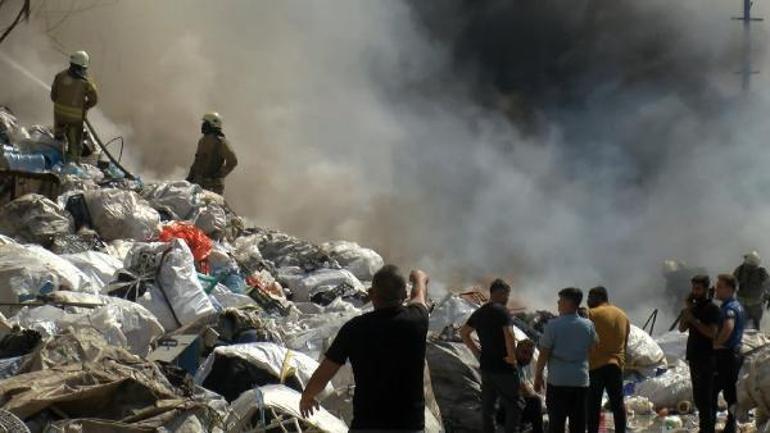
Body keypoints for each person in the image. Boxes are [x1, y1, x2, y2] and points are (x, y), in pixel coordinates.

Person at [299, 265, 429, 432]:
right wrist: (419, 277)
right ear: (404, 295)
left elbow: (326, 370)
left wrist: (307, 396)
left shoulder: (354, 329)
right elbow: (419, 296)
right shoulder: (417, 320)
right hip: (409, 425)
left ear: (371, 294)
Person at [534, 288, 598, 433]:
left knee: (556, 424)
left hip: (558, 382)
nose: (558, 303)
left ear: (569, 303)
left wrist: (538, 376)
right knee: (578, 425)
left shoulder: (553, 325)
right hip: (580, 382)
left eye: (561, 300)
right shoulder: (588, 325)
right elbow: (593, 348)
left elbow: (543, 353)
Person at [460, 279, 519, 433]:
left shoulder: (480, 312)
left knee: (488, 407)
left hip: (486, 367)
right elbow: (509, 334)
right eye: (507, 295)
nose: (508, 299)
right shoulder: (502, 311)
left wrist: (477, 353)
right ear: (501, 293)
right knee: (514, 404)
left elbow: (464, 333)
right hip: (504, 367)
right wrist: (512, 357)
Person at [679, 274, 721, 433]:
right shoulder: (693, 308)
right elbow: (682, 328)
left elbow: (712, 333)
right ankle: (705, 428)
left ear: (705, 289)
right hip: (695, 357)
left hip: (707, 358)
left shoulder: (712, 309)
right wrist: (688, 310)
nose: (695, 292)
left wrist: (694, 320)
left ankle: (707, 429)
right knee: (699, 398)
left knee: (707, 399)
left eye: (698, 288)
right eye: (693, 288)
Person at [586, 286, 630, 433]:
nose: (587, 301)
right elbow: (625, 343)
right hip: (616, 365)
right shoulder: (623, 315)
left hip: (595, 366)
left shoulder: (591, 313)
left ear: (599, 297)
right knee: (618, 404)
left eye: (590, 297)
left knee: (593, 405)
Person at [50, 50, 98, 163]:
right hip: (75, 120)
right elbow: (94, 100)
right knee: (74, 146)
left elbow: (53, 96)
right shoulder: (87, 82)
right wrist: (84, 107)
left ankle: (55, 162)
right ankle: (71, 167)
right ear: (84, 66)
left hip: (59, 117)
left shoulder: (59, 76)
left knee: (58, 142)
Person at [713, 274, 746, 433]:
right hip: (734, 354)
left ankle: (718, 424)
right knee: (730, 391)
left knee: (714, 390)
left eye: (720, 286)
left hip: (726, 355)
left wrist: (716, 343)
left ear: (729, 289)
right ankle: (730, 424)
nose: (716, 289)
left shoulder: (729, 308)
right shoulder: (736, 305)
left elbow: (728, 327)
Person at [496, 339, 544, 433]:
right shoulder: (511, 365)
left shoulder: (521, 368)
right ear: (516, 350)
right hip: (502, 411)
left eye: (530, 354)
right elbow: (524, 390)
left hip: (512, 407)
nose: (527, 357)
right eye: (524, 352)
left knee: (535, 404)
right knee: (535, 402)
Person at [186, 112, 238, 195]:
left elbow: (233, 161)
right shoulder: (202, 141)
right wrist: (189, 178)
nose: (203, 126)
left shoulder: (221, 143)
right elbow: (197, 161)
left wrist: (218, 176)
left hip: (212, 187)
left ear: (213, 124)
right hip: (198, 183)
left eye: (205, 123)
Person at [733, 251, 768, 330]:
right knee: (743, 325)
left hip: (754, 304)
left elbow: (768, 285)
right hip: (745, 303)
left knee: (752, 326)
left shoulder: (761, 272)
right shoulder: (740, 270)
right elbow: (732, 283)